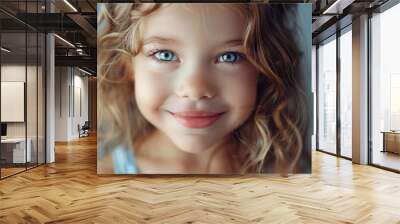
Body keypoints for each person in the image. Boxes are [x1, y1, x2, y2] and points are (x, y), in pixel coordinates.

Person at [97, 3, 310, 175]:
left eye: (230, 56)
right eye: (165, 55)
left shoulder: (282, 170)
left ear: (264, 67)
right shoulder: (107, 176)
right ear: (127, 65)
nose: (195, 89)